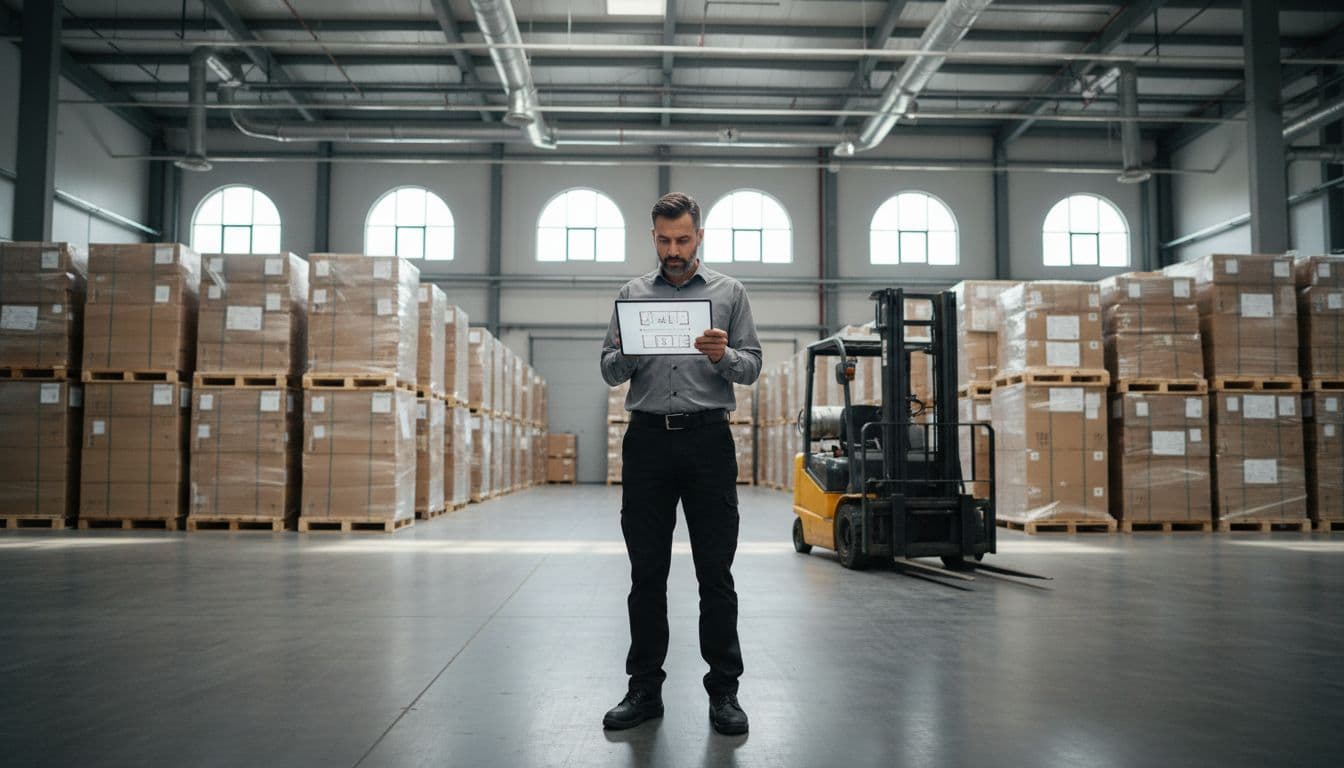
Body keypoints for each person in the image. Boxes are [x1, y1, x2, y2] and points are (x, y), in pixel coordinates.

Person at [599, 192, 762, 736]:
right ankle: (644, 689)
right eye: (665, 240)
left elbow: (752, 366)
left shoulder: (729, 293)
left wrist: (723, 356)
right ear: (653, 237)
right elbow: (608, 368)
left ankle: (725, 693)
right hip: (646, 444)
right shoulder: (631, 295)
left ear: (699, 236)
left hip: (707, 443)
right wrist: (632, 352)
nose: (674, 250)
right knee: (647, 573)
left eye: (683, 240)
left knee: (714, 572)